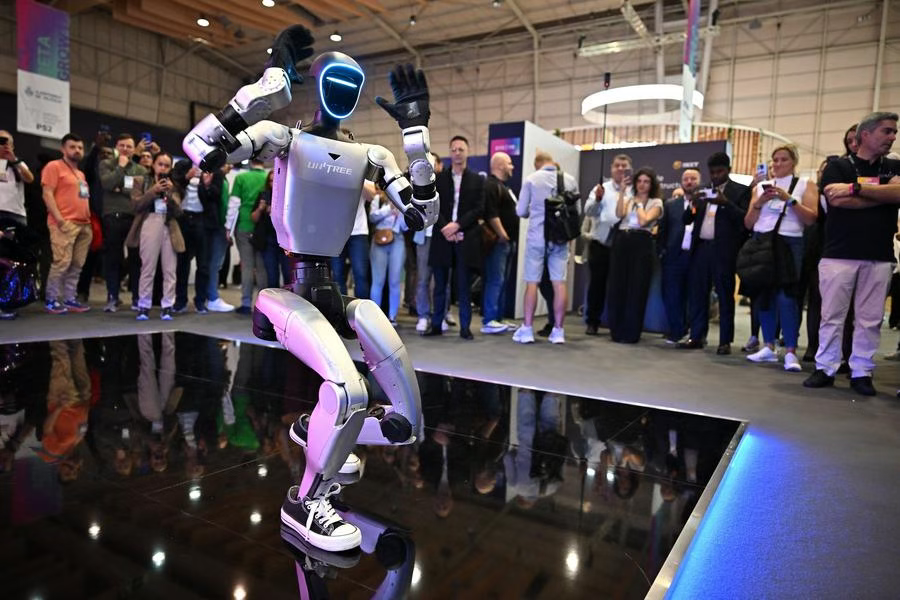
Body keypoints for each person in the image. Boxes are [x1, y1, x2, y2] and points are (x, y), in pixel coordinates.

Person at [804, 112, 900, 396]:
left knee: (870, 319)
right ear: (865, 134)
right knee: (832, 316)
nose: (893, 137)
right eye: (887, 131)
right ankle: (825, 368)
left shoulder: (894, 166)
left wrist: (857, 189)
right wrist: (883, 194)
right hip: (839, 254)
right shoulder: (838, 166)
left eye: (894, 132)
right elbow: (836, 201)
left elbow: (898, 195)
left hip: (879, 255)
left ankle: (862, 371)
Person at [743, 145, 818, 372]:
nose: (777, 164)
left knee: (786, 297)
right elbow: (748, 223)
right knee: (764, 295)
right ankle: (768, 345)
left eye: (783, 159)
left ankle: (791, 350)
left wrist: (789, 199)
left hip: (789, 241)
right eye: (775, 160)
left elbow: (811, 218)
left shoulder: (805, 184)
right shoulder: (760, 188)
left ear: (793, 162)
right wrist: (759, 203)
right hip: (762, 241)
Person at [678, 153, 752, 354]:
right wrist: (693, 205)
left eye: (720, 171)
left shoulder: (740, 191)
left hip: (724, 250)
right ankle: (697, 336)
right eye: (712, 172)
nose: (716, 176)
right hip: (701, 248)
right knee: (698, 294)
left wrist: (725, 202)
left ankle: (724, 341)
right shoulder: (702, 191)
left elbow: (745, 221)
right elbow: (686, 220)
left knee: (725, 295)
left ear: (728, 170)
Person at [512, 151, 579, 345]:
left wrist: (534, 211)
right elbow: (576, 211)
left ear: (537, 164)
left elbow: (520, 211)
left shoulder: (532, 179)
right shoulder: (570, 180)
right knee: (559, 284)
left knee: (532, 282)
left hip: (537, 238)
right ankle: (558, 331)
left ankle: (527, 329)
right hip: (560, 239)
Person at [426, 135, 484, 340]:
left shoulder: (477, 179)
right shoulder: (439, 178)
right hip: (442, 237)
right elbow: (433, 205)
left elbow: (479, 208)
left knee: (463, 286)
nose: (457, 153)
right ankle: (436, 325)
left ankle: (465, 328)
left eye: (461, 149)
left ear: (467, 152)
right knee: (440, 285)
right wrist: (445, 228)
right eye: (454, 150)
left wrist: (458, 225)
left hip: (465, 238)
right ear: (449, 153)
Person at [605, 167, 663, 343]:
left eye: (646, 182)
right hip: (623, 240)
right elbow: (619, 214)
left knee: (637, 287)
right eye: (639, 181)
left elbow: (644, 220)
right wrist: (623, 193)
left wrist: (639, 204)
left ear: (652, 184)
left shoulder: (656, 202)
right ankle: (617, 330)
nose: (642, 185)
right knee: (618, 285)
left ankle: (631, 332)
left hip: (641, 242)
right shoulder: (629, 199)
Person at [126, 152, 184, 321]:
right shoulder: (141, 180)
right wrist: (153, 191)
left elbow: (178, 211)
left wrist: (169, 193)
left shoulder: (173, 185)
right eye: (160, 164)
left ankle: (167, 306)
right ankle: (143, 305)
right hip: (149, 222)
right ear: (153, 164)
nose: (163, 168)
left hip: (169, 225)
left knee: (170, 269)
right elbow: (136, 205)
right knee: (147, 268)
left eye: (167, 165)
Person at [41, 133, 93, 314]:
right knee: (62, 262)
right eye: (72, 147)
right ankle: (51, 299)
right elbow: (47, 194)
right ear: (63, 149)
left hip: (84, 224)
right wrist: (60, 220)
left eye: (80, 147)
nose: (77, 150)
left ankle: (70, 298)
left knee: (77, 264)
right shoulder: (54, 166)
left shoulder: (80, 174)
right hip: (64, 223)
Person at [582, 154, 629, 336]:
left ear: (629, 168)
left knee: (620, 285)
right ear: (611, 168)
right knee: (597, 285)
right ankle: (592, 321)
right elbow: (588, 211)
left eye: (624, 165)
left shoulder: (633, 189)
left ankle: (618, 322)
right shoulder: (601, 188)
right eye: (617, 165)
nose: (620, 168)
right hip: (601, 243)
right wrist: (598, 199)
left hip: (623, 243)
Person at [99, 134, 146, 312]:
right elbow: (107, 184)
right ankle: (113, 297)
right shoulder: (106, 164)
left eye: (129, 146)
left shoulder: (141, 169)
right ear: (116, 147)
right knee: (112, 258)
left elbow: (138, 193)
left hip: (134, 218)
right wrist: (120, 168)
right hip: (112, 216)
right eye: (122, 145)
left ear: (134, 149)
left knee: (135, 259)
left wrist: (120, 187)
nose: (125, 149)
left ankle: (136, 298)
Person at [658, 169, 700, 344]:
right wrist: (662, 251)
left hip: (696, 256)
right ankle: (676, 331)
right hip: (674, 256)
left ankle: (697, 335)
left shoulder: (705, 203)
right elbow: (663, 230)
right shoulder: (670, 205)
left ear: (699, 181)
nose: (689, 181)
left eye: (693, 178)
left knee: (695, 297)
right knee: (672, 296)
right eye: (686, 179)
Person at [0, 130, 35, 320]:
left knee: (14, 262)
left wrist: (13, 159)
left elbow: (29, 178)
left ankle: (9, 302)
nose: (4, 145)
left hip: (16, 216)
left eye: (7, 142)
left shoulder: (18, 164)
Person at [480, 151, 517, 334]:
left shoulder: (504, 187)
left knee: (502, 281)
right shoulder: (491, 185)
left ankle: (498, 318)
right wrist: (502, 235)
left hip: (507, 242)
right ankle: (489, 319)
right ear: (500, 165)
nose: (512, 167)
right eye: (509, 163)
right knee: (495, 280)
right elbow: (491, 213)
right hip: (498, 243)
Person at [226, 158, 269, 314]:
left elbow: (234, 205)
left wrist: (228, 228)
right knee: (262, 268)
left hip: (244, 226)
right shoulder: (268, 177)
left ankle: (245, 303)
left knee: (247, 267)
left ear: (251, 161)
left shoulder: (241, 178)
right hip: (263, 230)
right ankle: (265, 307)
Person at [171, 161, 211, 313]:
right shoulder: (182, 166)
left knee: (203, 265)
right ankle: (180, 301)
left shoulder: (209, 167)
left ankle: (200, 301)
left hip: (202, 219)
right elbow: (174, 182)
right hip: (183, 218)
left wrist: (206, 185)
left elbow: (214, 196)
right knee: (182, 263)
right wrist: (186, 177)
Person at [368, 189, 408, 325]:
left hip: (397, 238)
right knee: (378, 281)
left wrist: (400, 214)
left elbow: (406, 226)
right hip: (379, 239)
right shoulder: (378, 198)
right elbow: (372, 217)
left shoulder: (403, 202)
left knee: (395, 281)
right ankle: (375, 317)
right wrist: (389, 209)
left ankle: (392, 316)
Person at [204, 165, 235, 312]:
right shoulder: (218, 176)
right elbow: (222, 204)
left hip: (217, 226)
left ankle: (210, 296)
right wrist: (226, 227)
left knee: (214, 264)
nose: (231, 166)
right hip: (218, 226)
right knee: (215, 264)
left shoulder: (221, 177)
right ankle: (212, 297)